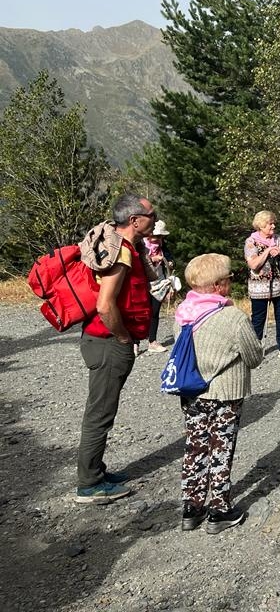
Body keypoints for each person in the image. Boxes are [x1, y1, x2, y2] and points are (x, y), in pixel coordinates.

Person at [75, 194, 157, 504]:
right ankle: (89, 483)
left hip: (103, 341)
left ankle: (95, 470)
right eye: (152, 214)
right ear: (135, 220)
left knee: (102, 409)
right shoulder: (121, 252)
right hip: (108, 343)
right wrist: (124, 338)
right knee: (100, 413)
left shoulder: (123, 247)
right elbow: (105, 304)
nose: (155, 219)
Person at [175, 253, 263, 534]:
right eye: (227, 279)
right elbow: (254, 355)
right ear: (217, 285)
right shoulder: (232, 317)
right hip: (225, 393)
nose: (229, 283)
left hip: (191, 391)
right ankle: (219, 509)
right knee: (221, 449)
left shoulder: (182, 313)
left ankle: (192, 506)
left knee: (195, 446)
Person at [244, 210, 280, 360]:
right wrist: (267, 251)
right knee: (258, 319)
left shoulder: (279, 239)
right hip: (259, 288)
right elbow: (253, 264)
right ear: (261, 225)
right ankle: (256, 350)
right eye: (270, 223)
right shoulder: (250, 242)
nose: (273, 226)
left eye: (273, 223)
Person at [143, 219, 176, 354]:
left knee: (155, 312)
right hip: (143, 282)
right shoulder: (141, 246)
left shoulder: (162, 246)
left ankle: (152, 341)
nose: (158, 239)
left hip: (159, 282)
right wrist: (152, 259)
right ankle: (134, 342)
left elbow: (169, 258)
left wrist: (170, 262)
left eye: (161, 236)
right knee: (140, 312)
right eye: (156, 236)